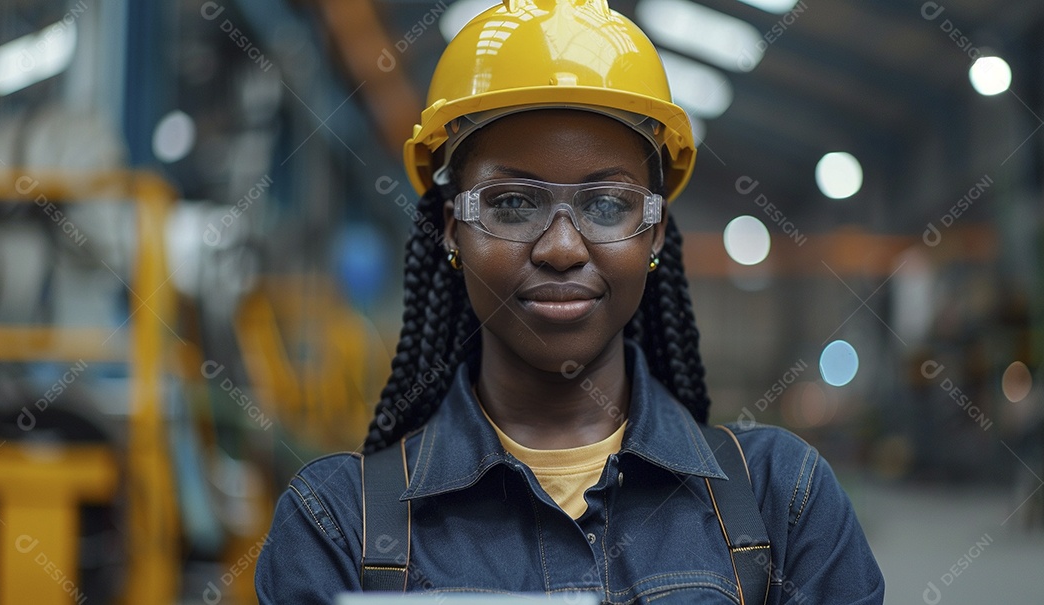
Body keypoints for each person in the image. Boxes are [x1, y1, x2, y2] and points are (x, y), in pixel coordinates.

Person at [255, 1, 885, 603]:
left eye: (608, 206)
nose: (561, 247)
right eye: (512, 203)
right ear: (452, 228)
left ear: (656, 234)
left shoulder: (784, 502)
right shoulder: (336, 527)